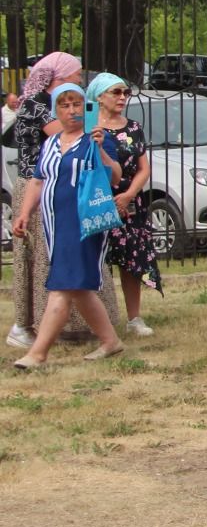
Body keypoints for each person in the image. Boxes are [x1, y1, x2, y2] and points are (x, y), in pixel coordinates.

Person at [7, 52, 121, 350]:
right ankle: (37, 333)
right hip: (47, 192)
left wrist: (98, 138)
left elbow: (110, 172)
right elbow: (40, 173)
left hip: (78, 199)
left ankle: (82, 336)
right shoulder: (39, 109)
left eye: (76, 103)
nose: (80, 78)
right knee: (50, 266)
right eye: (76, 73)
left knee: (70, 276)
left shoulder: (91, 133)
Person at [87, 73, 161, 336]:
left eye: (125, 93)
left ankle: (134, 318)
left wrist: (129, 194)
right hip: (97, 199)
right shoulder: (88, 127)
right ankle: (98, 318)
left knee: (131, 260)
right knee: (96, 259)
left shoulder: (133, 127)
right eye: (115, 92)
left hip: (129, 202)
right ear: (99, 97)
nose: (122, 98)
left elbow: (143, 168)